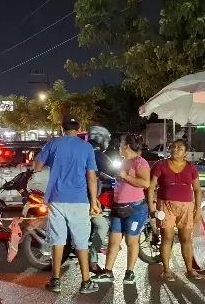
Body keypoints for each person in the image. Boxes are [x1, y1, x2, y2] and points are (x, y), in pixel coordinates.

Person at [33, 116, 101, 294]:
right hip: (79, 200)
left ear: (61, 128)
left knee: (58, 240)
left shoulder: (53, 144)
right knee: (81, 242)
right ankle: (86, 282)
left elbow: (37, 166)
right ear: (78, 129)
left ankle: (55, 280)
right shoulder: (86, 147)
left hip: (56, 198)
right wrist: (94, 202)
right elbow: (91, 177)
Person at [94, 134, 151, 285]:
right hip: (118, 207)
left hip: (135, 208)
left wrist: (126, 177)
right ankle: (108, 272)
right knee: (113, 241)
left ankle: (130, 272)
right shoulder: (124, 161)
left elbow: (146, 183)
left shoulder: (140, 162)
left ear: (126, 146)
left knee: (131, 241)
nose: (119, 147)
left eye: (121, 144)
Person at [148, 139, 203, 280]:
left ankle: (189, 270)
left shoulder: (191, 167)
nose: (175, 150)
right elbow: (151, 187)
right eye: (173, 147)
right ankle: (166, 270)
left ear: (186, 152)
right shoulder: (160, 165)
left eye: (179, 148)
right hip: (166, 206)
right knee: (167, 238)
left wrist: (198, 210)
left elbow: (197, 189)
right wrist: (151, 208)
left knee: (186, 239)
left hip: (186, 207)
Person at [87, 126, 114, 273]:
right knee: (103, 226)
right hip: (86, 199)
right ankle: (92, 261)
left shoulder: (84, 150)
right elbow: (113, 171)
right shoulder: (97, 154)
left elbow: (98, 174)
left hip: (74, 196)